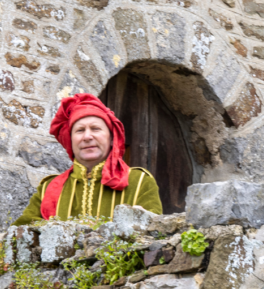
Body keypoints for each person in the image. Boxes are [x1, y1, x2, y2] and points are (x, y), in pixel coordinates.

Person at [13, 93, 162, 225]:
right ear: (70, 141)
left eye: (95, 129)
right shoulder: (48, 188)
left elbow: (153, 233)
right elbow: (20, 233)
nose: (87, 136)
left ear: (112, 138)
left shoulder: (140, 181)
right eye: (80, 130)